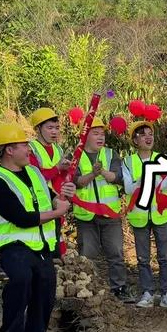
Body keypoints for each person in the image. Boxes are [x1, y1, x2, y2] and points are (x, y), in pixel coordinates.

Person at [0, 122, 72, 332]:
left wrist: (61, 197)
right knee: (21, 280)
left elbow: (48, 197)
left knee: (45, 290)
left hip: (40, 245)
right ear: (9, 150)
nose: (28, 149)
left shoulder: (33, 172)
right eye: (24, 145)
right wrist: (57, 214)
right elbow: (21, 218)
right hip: (12, 245)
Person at [73, 117, 131, 301]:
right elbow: (77, 182)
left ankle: (119, 289)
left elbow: (118, 176)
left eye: (102, 134)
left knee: (116, 252)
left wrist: (103, 172)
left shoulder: (110, 153)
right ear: (84, 135)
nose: (101, 137)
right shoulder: (75, 155)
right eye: (95, 133)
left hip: (109, 212)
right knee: (87, 254)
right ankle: (87, 288)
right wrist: (93, 174)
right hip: (86, 214)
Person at [122, 120, 167, 309]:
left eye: (150, 134)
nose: (148, 137)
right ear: (135, 140)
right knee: (142, 258)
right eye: (143, 134)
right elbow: (128, 188)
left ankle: (166, 293)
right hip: (139, 215)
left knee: (165, 257)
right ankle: (147, 292)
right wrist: (152, 179)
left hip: (161, 214)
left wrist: (142, 181)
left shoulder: (163, 159)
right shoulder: (128, 161)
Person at [28, 107, 71, 181]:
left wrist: (67, 169)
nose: (54, 132)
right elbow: (35, 178)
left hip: (58, 192)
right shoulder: (30, 149)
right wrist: (57, 168)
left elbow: (63, 177)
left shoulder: (58, 149)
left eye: (57, 128)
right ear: (37, 129)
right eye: (50, 128)